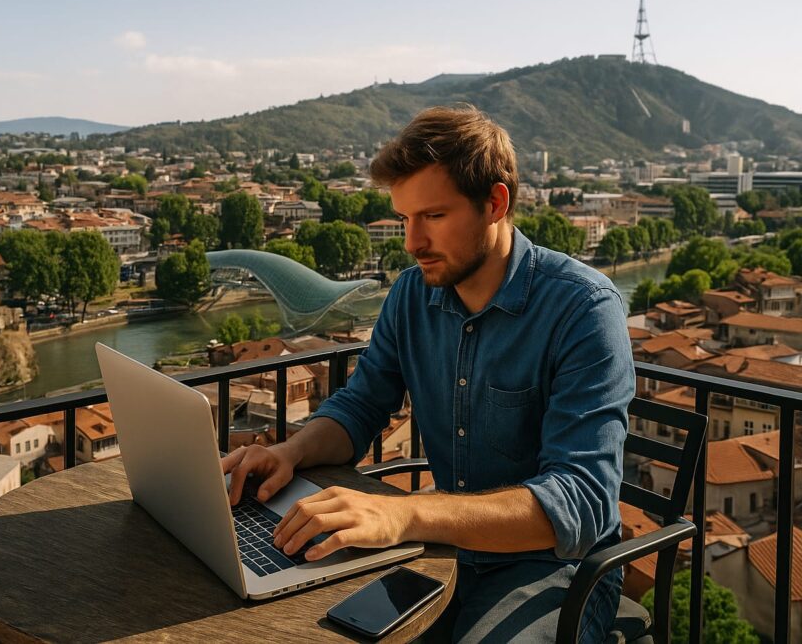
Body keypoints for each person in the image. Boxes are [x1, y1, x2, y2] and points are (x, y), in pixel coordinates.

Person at [222, 105, 634, 642]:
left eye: (433, 217)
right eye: (404, 218)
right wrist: (288, 453)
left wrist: (405, 514)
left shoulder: (583, 309)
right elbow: (361, 406)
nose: (412, 242)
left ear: (494, 203)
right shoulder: (412, 294)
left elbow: (579, 501)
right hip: (444, 548)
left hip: (558, 569)